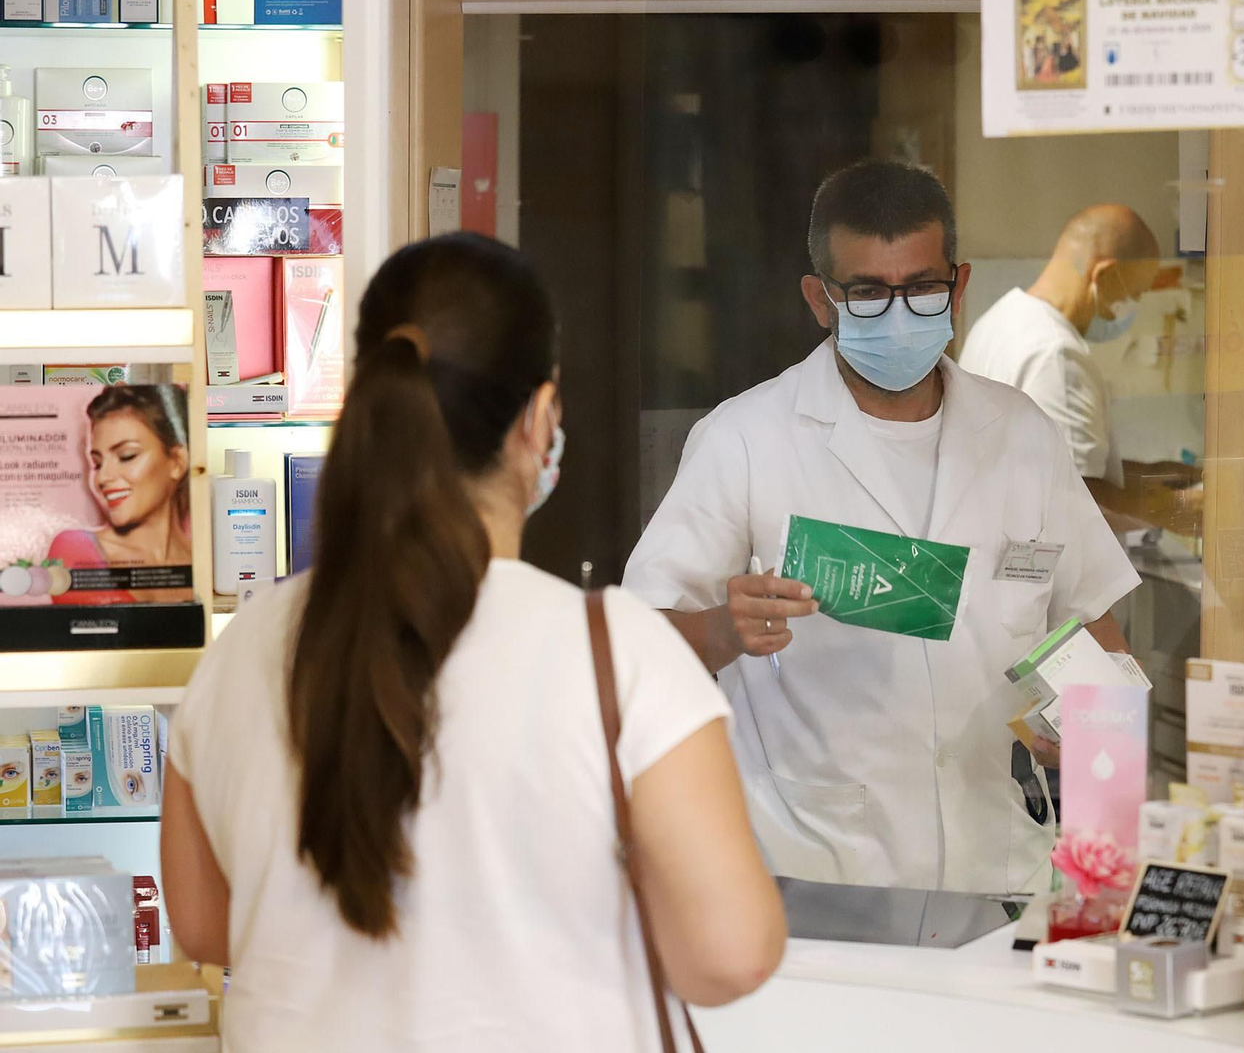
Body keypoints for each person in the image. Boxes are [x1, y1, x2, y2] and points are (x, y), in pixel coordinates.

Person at [161, 234, 786, 1052]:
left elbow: (204, 926)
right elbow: (730, 956)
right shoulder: (617, 655)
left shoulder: (244, 649)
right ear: (539, 419)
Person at [623, 161, 1140, 895]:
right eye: (867, 292)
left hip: (994, 867)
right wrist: (721, 632)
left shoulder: (1023, 436)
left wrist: (1110, 818)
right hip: (813, 871)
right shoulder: (745, 438)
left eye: (922, 287)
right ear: (820, 299)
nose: (898, 313)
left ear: (959, 287)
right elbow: (634, 641)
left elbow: (1094, 630)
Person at [958, 204, 1160, 497]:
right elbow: (1081, 497)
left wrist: (1166, 476)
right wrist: (1178, 505)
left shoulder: (999, 320)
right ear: (1104, 275)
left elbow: (1080, 467)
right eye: (1135, 292)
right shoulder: (1056, 356)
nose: (1133, 307)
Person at [48, 384, 192, 605]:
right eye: (97, 463)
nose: (103, 478)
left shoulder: (203, 560)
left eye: (126, 456)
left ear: (177, 462)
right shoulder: (76, 549)